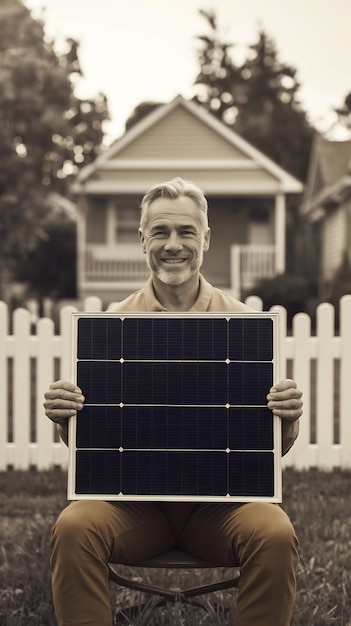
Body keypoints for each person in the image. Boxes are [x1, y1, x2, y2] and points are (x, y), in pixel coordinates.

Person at [44, 177, 303, 626]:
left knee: (275, 532)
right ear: (142, 239)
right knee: (73, 526)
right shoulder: (109, 327)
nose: (173, 245)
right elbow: (97, 448)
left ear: (205, 238)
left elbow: (268, 450)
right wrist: (67, 416)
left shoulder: (246, 325)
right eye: (160, 232)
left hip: (220, 511)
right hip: (136, 510)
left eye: (186, 232)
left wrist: (288, 416)